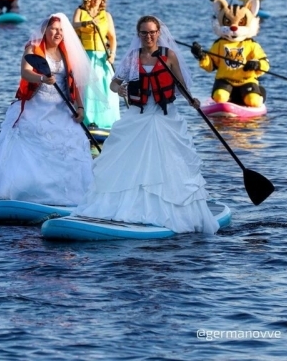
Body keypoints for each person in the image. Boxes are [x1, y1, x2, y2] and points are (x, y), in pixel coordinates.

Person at [74, 15, 220, 234]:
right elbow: (115, 83)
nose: (148, 36)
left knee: (167, 163)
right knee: (129, 161)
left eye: (152, 32)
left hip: (164, 116)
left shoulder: (168, 56)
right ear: (139, 35)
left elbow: (180, 84)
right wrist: (119, 89)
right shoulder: (132, 58)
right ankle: (128, 210)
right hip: (138, 116)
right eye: (144, 33)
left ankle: (170, 213)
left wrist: (193, 100)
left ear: (158, 33)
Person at [0, 13, 96, 206]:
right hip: (37, 103)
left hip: (61, 106)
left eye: (61, 30)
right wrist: (41, 78)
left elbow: (75, 84)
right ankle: (23, 194)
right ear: (45, 30)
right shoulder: (33, 48)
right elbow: (25, 71)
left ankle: (67, 198)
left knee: (70, 145)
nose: (57, 33)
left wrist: (80, 107)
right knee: (29, 145)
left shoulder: (67, 54)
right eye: (53, 29)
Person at [72, 0, 120, 130]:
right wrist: (86, 23)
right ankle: (88, 120)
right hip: (85, 55)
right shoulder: (80, 11)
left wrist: (112, 54)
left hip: (101, 56)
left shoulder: (106, 15)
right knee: (87, 89)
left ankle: (109, 122)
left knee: (104, 88)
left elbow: (112, 38)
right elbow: (73, 25)